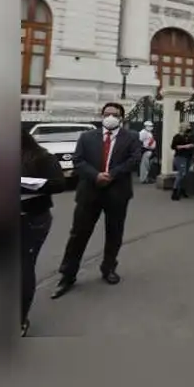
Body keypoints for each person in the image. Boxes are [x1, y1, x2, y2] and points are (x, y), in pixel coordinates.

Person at [51, 103, 142, 298]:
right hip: (89, 192)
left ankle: (108, 268)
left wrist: (112, 174)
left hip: (117, 192)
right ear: (101, 116)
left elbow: (134, 159)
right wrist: (96, 176)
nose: (110, 117)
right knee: (78, 234)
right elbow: (78, 160)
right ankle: (67, 275)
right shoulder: (86, 137)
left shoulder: (131, 137)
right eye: (107, 114)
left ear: (121, 118)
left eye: (115, 114)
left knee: (114, 233)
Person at [20, 128, 65, 336]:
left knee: (22, 267)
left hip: (30, 219)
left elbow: (59, 184)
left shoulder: (42, 157)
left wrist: (27, 185)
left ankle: (19, 319)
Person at [170, 123, 194, 200]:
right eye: (188, 127)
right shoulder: (177, 137)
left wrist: (192, 145)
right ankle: (175, 191)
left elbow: (193, 143)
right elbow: (174, 146)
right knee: (181, 174)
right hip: (180, 157)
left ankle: (182, 190)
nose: (189, 128)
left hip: (188, 157)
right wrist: (185, 146)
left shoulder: (189, 136)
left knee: (185, 175)